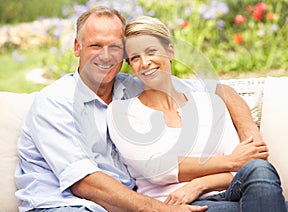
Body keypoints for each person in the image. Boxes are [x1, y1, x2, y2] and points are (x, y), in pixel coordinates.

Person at [15, 5, 268, 212]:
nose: (105, 56)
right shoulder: (55, 102)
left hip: (125, 206)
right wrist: (159, 209)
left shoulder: (133, 86)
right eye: (94, 45)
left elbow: (220, 90)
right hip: (63, 206)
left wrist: (251, 141)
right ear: (77, 47)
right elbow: (84, 183)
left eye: (115, 46)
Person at [106, 15, 288, 211]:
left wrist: (198, 185)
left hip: (229, 194)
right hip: (178, 206)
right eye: (135, 58)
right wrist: (230, 161)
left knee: (259, 169)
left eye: (151, 51)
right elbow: (157, 169)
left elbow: (244, 164)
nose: (145, 62)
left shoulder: (210, 104)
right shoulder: (122, 113)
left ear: (170, 51)